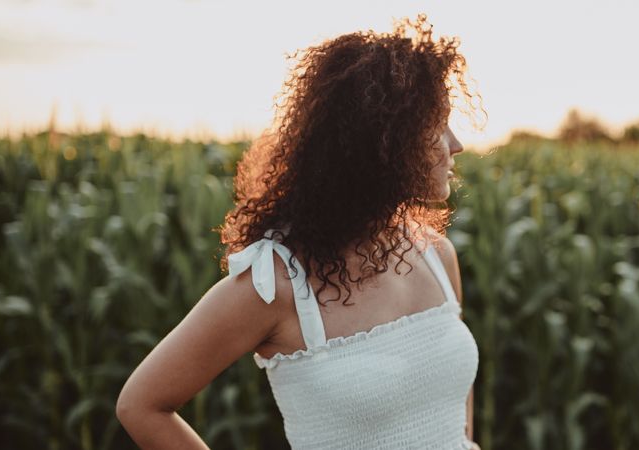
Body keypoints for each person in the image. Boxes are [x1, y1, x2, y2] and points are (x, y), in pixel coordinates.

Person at [116, 13, 484, 449]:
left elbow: (454, 416)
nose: (455, 144)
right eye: (435, 125)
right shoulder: (276, 285)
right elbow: (141, 405)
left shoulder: (437, 257)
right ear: (382, 144)